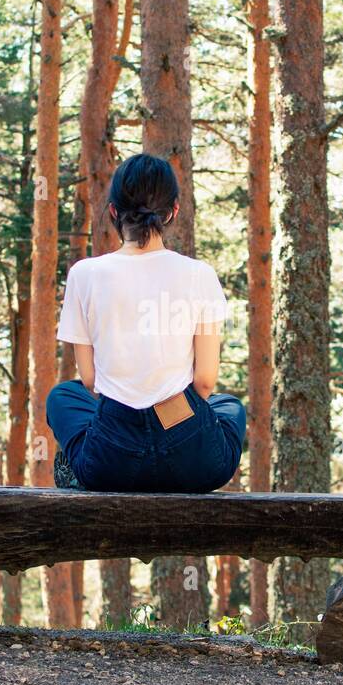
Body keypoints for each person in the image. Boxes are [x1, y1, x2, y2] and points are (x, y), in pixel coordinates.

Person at [45, 153, 246, 493]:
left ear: (113, 211)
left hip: (112, 460)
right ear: (172, 212)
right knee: (229, 406)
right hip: (193, 459)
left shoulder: (84, 274)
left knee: (63, 396)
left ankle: (83, 463)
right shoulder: (200, 275)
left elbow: (91, 381)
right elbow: (206, 382)